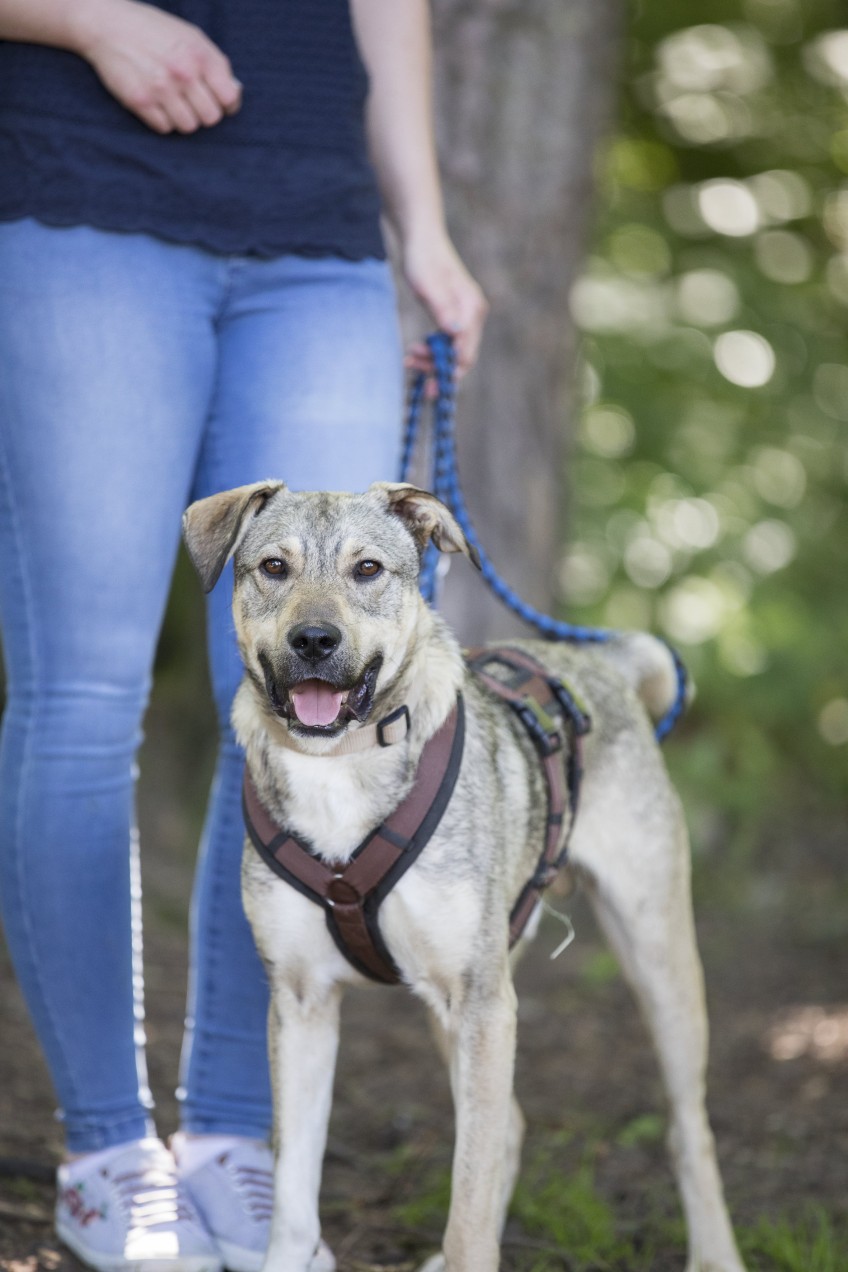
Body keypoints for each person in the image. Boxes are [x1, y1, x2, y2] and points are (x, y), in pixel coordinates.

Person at [0, 2, 487, 1270]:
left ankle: (234, 1145)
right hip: (78, 198)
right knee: (83, 701)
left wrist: (420, 230)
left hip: (319, 232)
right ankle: (109, 1156)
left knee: (300, 719)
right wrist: (86, 20)